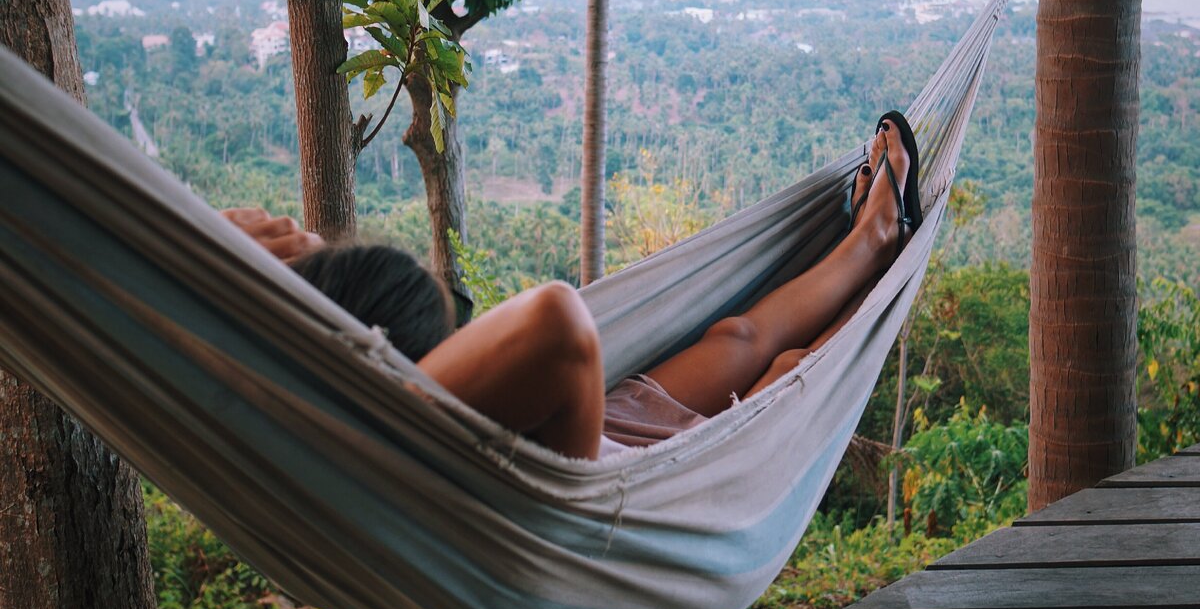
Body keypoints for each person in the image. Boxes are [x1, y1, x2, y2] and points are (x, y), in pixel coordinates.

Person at [223, 113, 920, 461]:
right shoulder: (401, 441)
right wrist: (290, 283)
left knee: (740, 335)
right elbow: (557, 324)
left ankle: (867, 246)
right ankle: (877, 259)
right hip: (653, 479)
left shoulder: (419, 420)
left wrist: (266, 261)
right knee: (791, 369)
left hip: (610, 416)